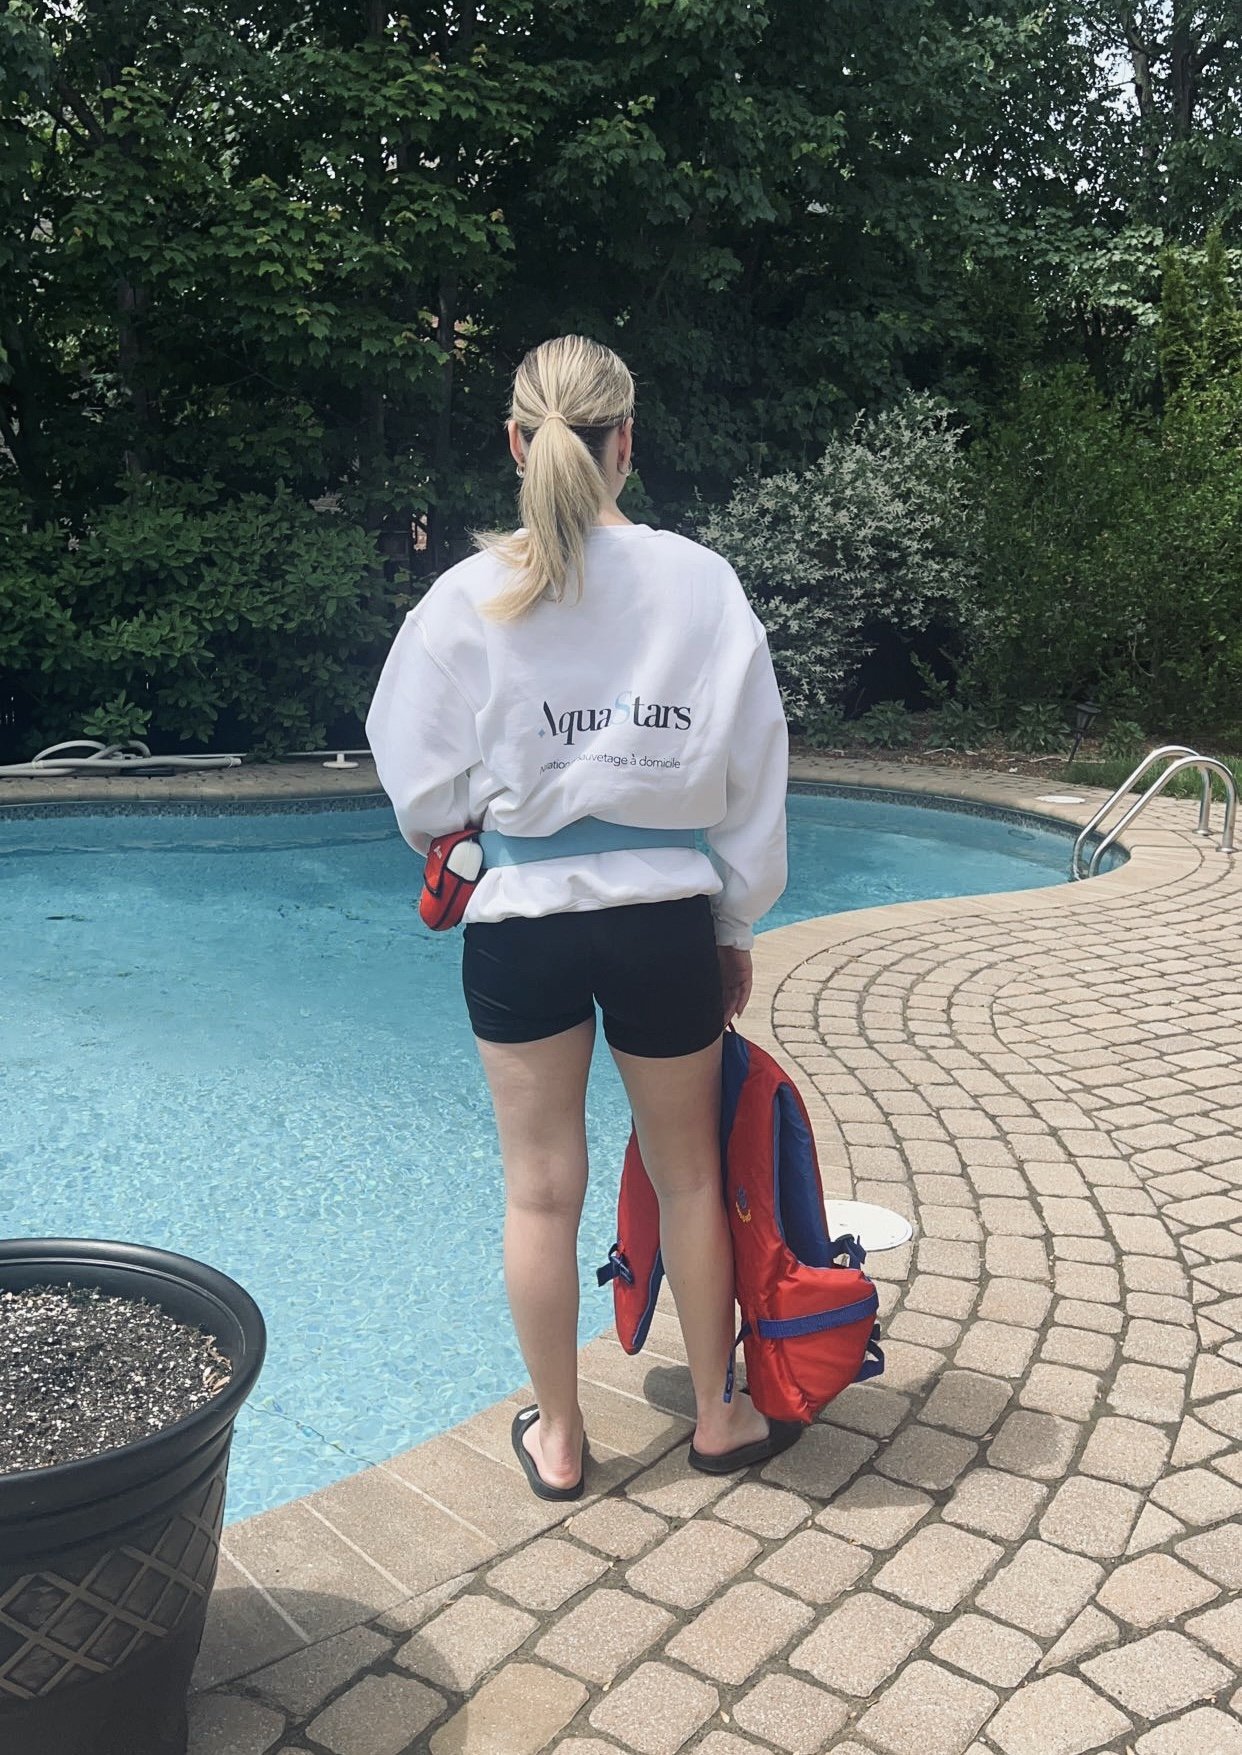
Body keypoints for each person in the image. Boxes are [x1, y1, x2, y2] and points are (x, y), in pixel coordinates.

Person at [366, 335, 795, 1500]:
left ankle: (560, 1440)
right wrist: (736, 923)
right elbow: (757, 768)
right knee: (694, 1176)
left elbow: (415, 777)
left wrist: (474, 837)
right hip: (663, 917)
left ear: (516, 441)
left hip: (522, 922)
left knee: (539, 1190)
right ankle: (717, 1416)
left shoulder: (466, 599)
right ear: (628, 446)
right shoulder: (701, 583)